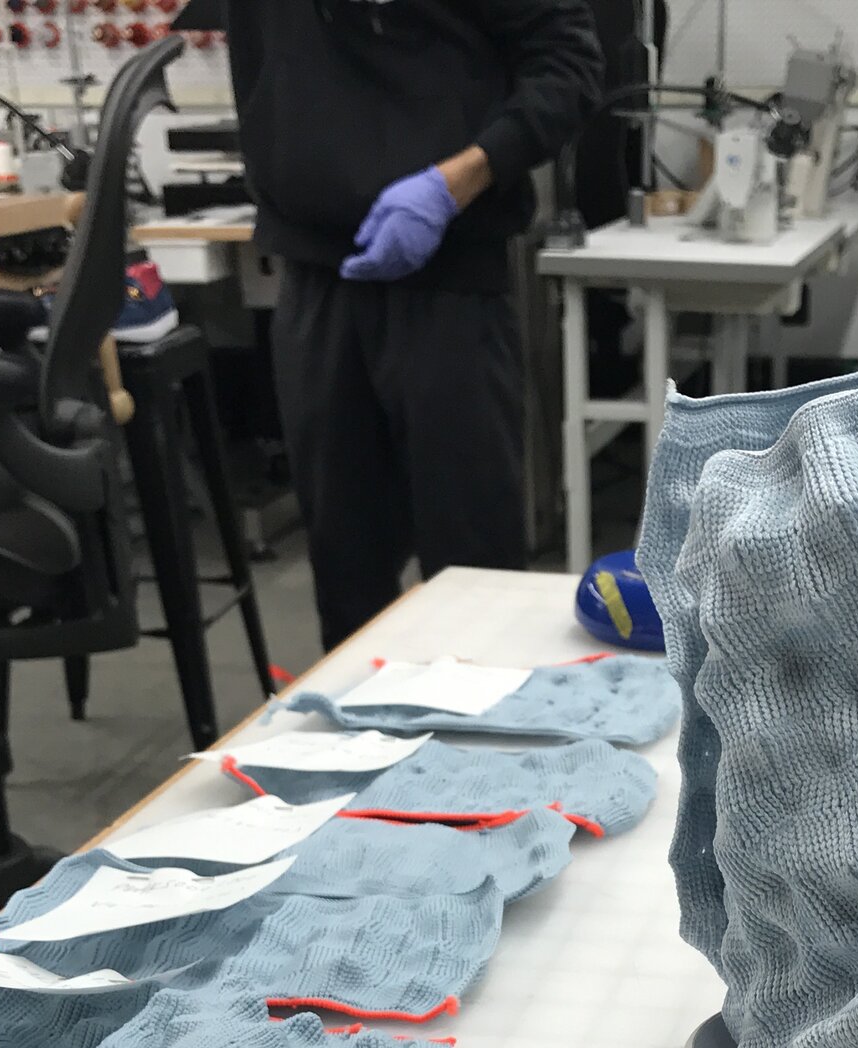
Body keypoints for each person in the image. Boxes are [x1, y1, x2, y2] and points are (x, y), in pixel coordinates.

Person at [225, 0, 604, 647]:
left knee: (473, 572)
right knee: (345, 570)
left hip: (449, 277)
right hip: (314, 275)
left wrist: (457, 181)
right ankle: (358, 713)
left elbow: (569, 67)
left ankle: (482, 707)